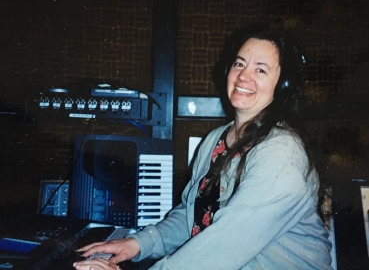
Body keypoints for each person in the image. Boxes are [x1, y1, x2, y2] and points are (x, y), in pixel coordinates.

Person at [73, 25, 333, 270]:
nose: (244, 75)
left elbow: (225, 244)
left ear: (283, 86)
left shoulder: (282, 153)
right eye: (239, 64)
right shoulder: (215, 140)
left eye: (260, 70)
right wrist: (138, 243)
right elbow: (192, 216)